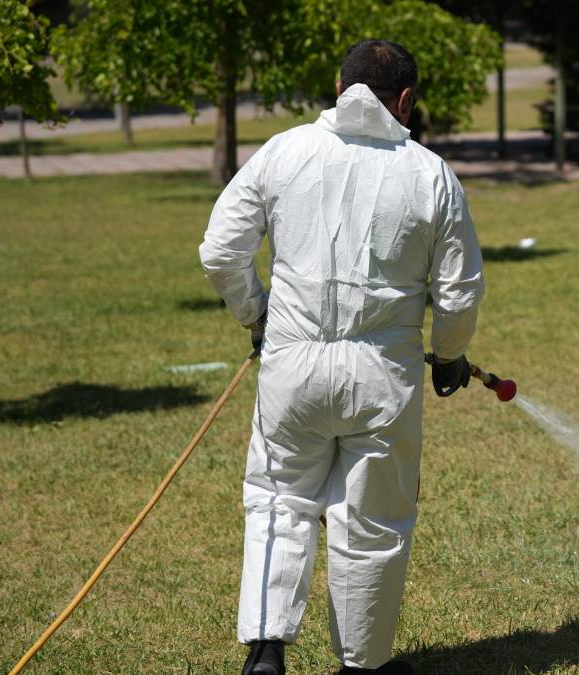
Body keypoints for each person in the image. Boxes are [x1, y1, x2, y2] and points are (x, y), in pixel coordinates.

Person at [199, 39, 484, 675]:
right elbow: (459, 292)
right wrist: (449, 357)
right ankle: (362, 665)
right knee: (371, 522)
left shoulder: (285, 150)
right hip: (382, 380)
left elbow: (221, 250)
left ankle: (266, 653)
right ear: (405, 100)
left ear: (339, 88)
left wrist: (257, 314)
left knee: (278, 501)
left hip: (291, 368)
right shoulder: (430, 173)